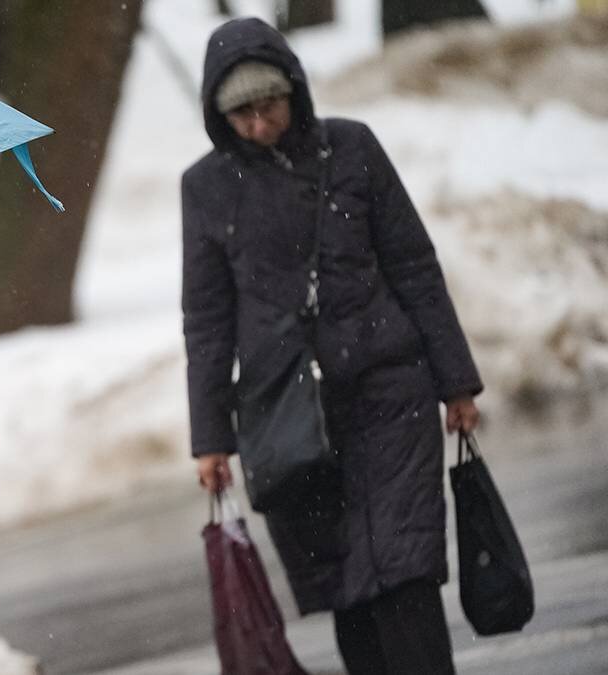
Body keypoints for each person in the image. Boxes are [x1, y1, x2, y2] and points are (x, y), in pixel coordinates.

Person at [182, 18, 482, 675]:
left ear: (294, 91)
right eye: (242, 114)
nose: (259, 124)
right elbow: (206, 320)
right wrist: (210, 436)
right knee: (348, 585)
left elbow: (413, 265)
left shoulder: (352, 148)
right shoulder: (205, 188)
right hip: (289, 416)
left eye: (269, 106)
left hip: (389, 389)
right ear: (217, 114)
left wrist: (455, 381)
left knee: (404, 570)